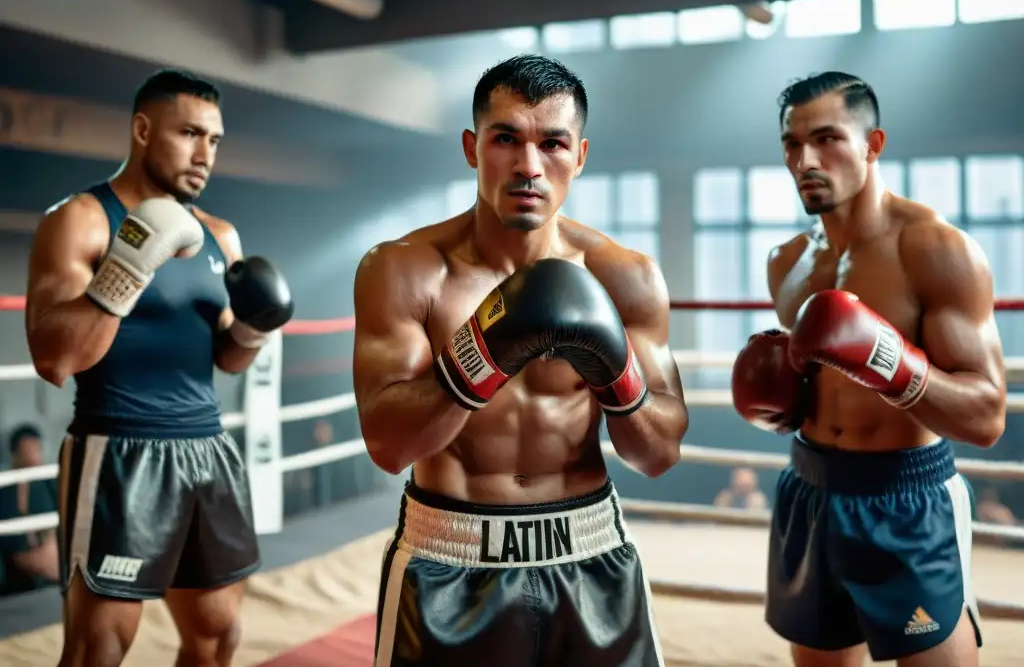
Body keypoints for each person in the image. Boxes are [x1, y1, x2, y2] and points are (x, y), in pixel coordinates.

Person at [354, 54, 688, 666]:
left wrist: (618, 376)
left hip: (588, 549)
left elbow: (659, 454)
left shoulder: (626, 277)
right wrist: (481, 352)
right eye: (506, 137)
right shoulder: (406, 269)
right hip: (451, 559)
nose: (529, 166)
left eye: (553, 144)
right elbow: (388, 447)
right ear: (471, 147)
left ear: (580, 156)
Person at [730, 71, 1006, 666]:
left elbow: (987, 417)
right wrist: (781, 403)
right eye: (792, 143)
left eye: (827, 138)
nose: (806, 158)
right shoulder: (788, 262)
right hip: (810, 486)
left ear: (872, 144)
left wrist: (888, 362)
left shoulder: (934, 249)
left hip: (905, 498)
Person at [24, 69, 295, 667]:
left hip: (207, 450)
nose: (205, 155)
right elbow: (54, 359)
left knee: (218, 636)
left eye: (215, 140)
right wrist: (129, 265)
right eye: (190, 133)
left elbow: (226, 358)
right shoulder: (82, 220)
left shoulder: (220, 236)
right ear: (143, 129)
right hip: (119, 450)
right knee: (99, 648)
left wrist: (252, 328)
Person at [0, 424, 60, 596]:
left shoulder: (49, 482)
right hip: (25, 569)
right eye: (27, 451)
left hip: (54, 561)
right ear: (14, 455)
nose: (34, 457)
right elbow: (14, 552)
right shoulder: (7, 491)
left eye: (36, 449)